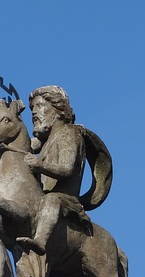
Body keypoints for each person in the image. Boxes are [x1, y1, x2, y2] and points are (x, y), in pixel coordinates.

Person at [17, 85, 91, 255]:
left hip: (64, 199)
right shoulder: (45, 143)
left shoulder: (68, 133)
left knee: (51, 200)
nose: (34, 112)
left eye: (39, 106)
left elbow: (66, 169)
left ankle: (40, 241)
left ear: (57, 110)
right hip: (43, 199)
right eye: (32, 108)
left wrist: (39, 165)